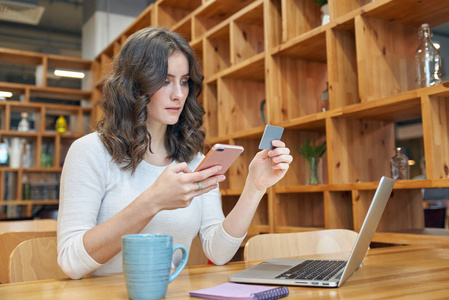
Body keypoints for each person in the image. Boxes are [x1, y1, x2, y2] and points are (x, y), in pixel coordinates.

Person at [57, 27, 293, 280]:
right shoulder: (90, 152)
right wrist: (153, 201)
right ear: (133, 85)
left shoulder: (193, 159)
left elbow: (219, 251)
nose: (178, 94)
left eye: (184, 81)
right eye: (164, 80)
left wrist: (255, 187)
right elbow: (71, 262)